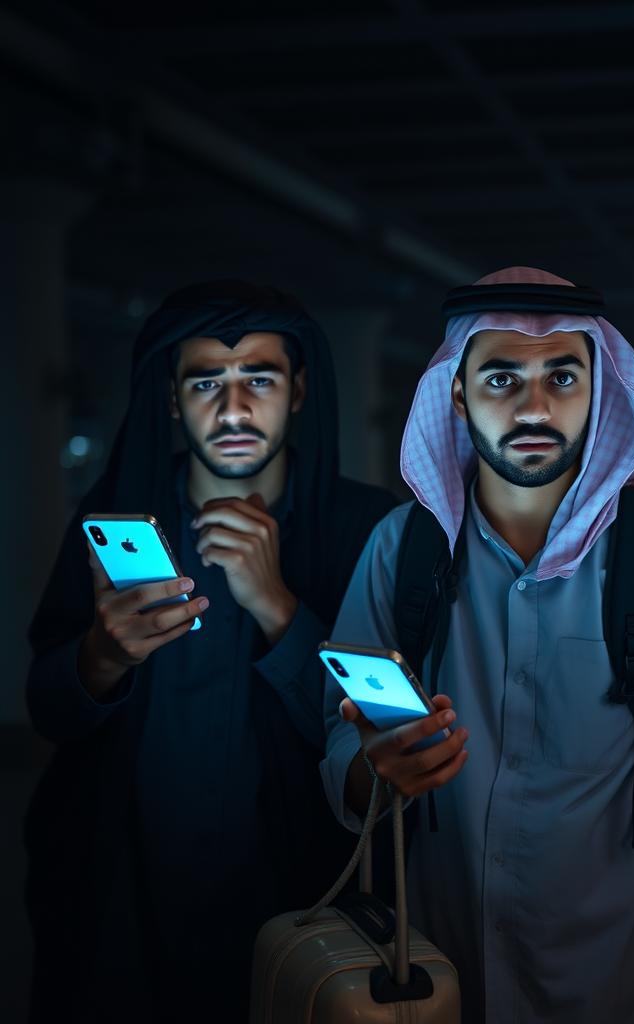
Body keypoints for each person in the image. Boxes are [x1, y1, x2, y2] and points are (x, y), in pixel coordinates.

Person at [321, 266, 634, 1024]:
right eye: (501, 377)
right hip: (432, 985)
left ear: (598, 394)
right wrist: (374, 773)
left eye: (562, 376)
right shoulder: (399, 550)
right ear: (458, 394)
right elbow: (339, 740)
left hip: (616, 986)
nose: (534, 406)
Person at [25, 280, 395, 1024]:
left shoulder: (369, 528)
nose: (232, 410)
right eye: (205, 383)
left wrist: (278, 606)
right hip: (128, 896)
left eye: (258, 378)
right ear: (171, 400)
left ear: (297, 392)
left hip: (301, 893)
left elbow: (388, 734)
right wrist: (103, 654)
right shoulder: (114, 524)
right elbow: (48, 709)